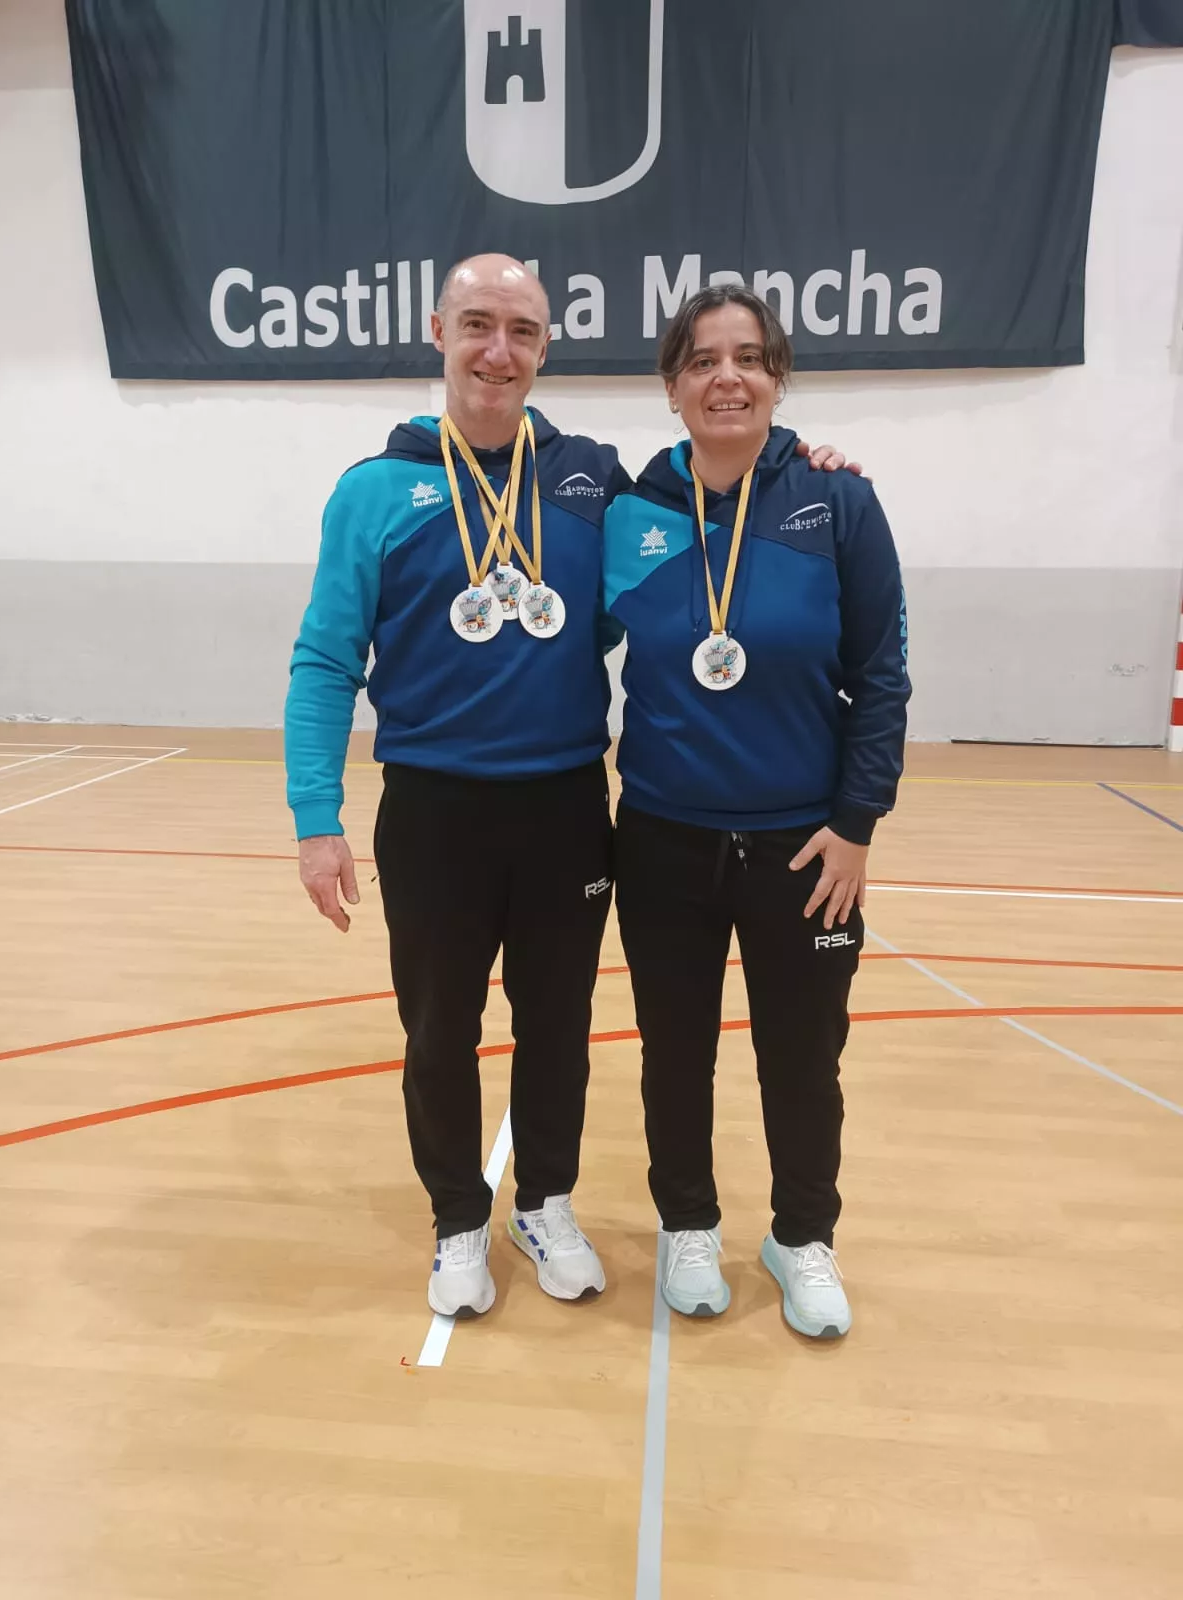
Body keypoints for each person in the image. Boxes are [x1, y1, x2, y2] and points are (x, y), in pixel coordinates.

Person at [284, 255, 857, 1320]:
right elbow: (324, 662)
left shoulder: (598, 483)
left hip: (563, 809)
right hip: (433, 810)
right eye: (478, 326)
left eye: (522, 332)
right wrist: (315, 820)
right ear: (438, 331)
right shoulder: (374, 492)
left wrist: (801, 460)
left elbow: (710, 510)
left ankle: (541, 1198)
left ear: (547, 347)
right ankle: (460, 1216)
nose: (498, 351)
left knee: (558, 1022)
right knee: (439, 1025)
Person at [603, 284, 910, 1339]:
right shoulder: (631, 511)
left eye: (747, 357)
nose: (725, 376)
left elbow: (882, 676)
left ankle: (801, 1236)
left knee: (803, 1052)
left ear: (777, 377)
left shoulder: (840, 506)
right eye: (701, 359)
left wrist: (859, 820)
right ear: (673, 384)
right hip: (661, 838)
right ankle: (688, 1222)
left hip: (805, 844)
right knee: (674, 1046)